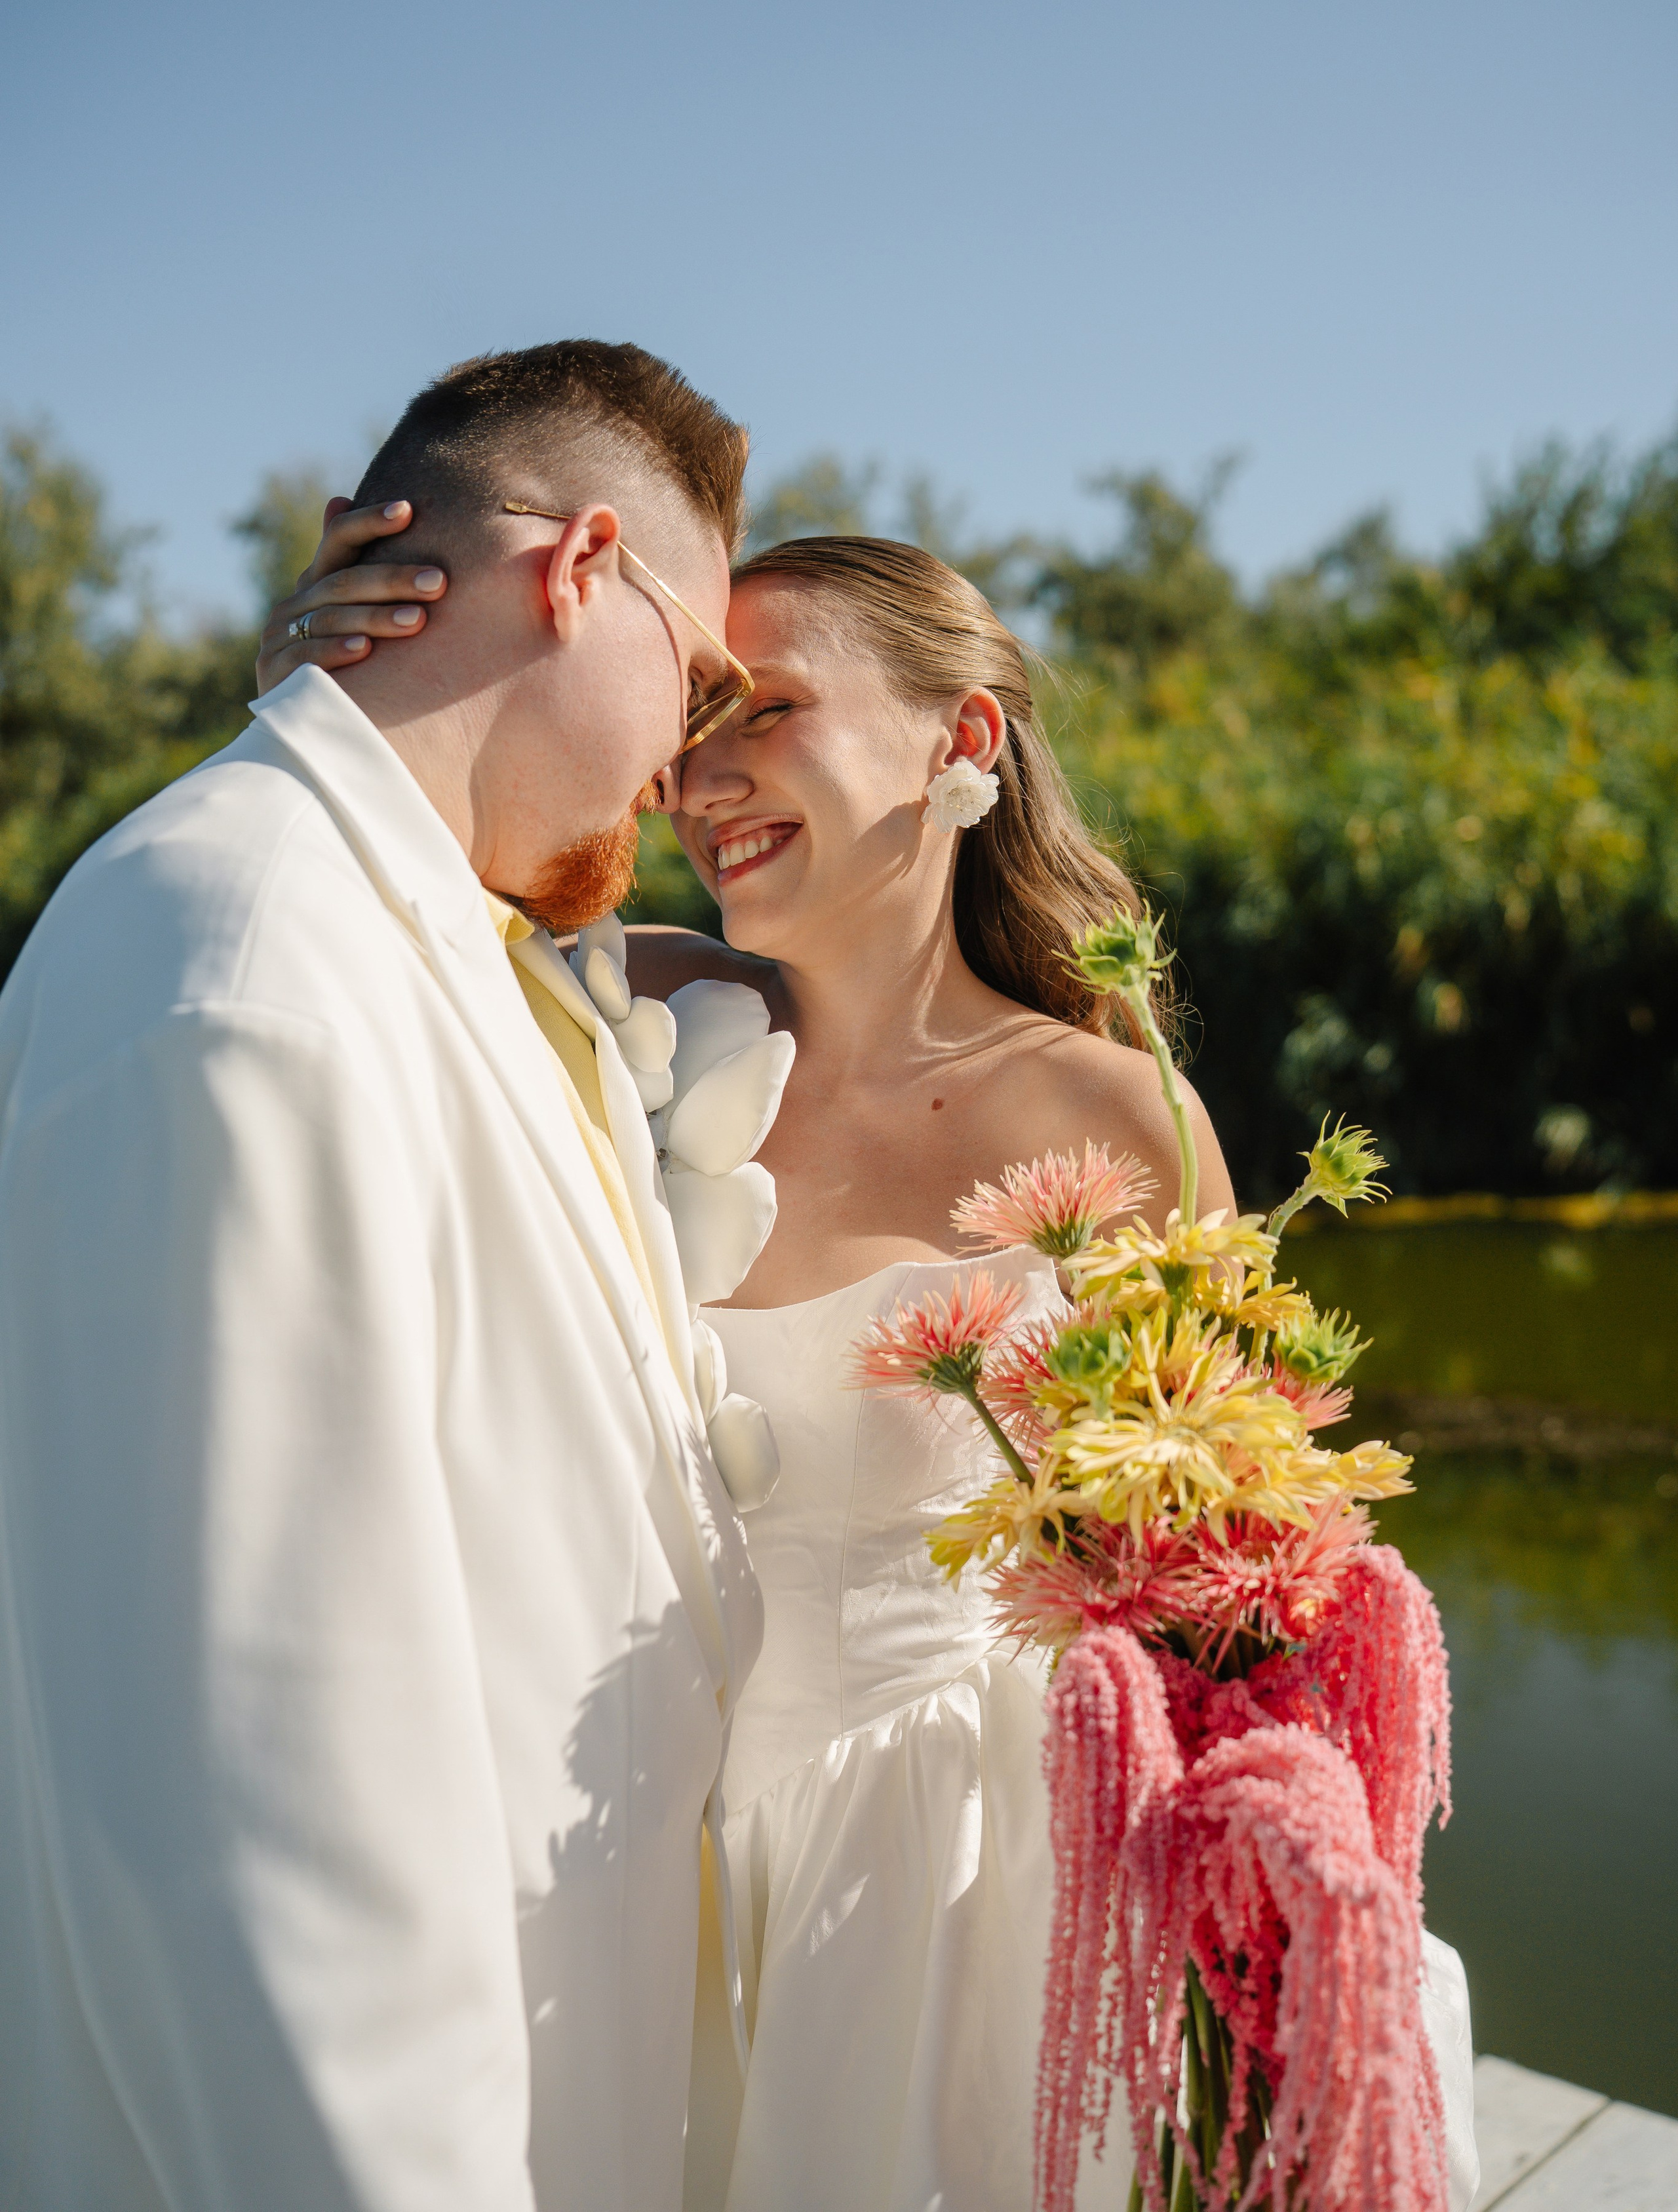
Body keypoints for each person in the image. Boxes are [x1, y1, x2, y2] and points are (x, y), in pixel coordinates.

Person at [261, 531, 1479, 2211]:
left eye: (762, 712)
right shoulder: (632, 1009)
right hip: (629, 1840)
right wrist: (333, 694)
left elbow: (1236, 1573)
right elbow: (358, 927)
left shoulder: (1115, 1119)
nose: (700, 778)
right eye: (688, 729)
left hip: (983, 1861)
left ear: (962, 744)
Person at [0, 340, 766, 2212]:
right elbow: (259, 1832)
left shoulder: (434, 941)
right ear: (583, 572)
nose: (699, 752)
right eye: (711, 668)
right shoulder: (240, 969)